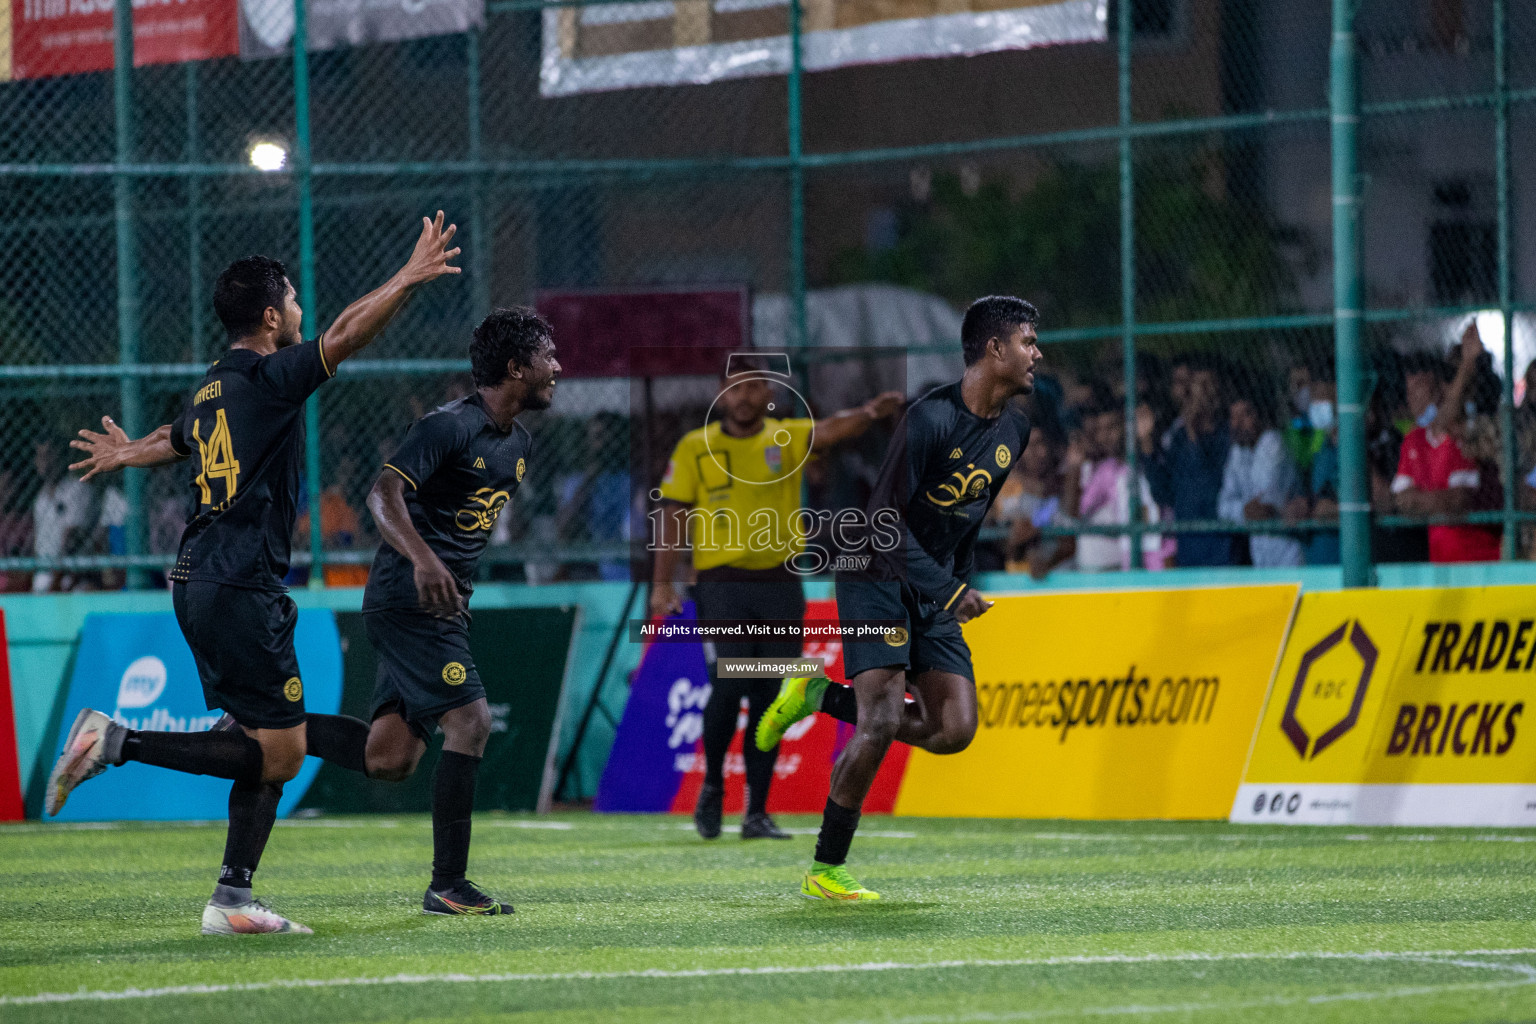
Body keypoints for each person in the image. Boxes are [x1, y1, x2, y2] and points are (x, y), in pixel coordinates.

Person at [45, 211, 462, 935]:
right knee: (282, 750)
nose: (303, 310)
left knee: (267, 740)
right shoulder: (272, 378)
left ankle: (232, 898)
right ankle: (115, 742)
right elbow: (347, 337)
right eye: (295, 300)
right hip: (239, 583)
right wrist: (408, 276)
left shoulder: (214, 387)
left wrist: (124, 454)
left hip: (202, 579)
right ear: (271, 317)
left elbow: (173, 442)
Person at [752, 295, 1039, 900]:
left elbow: (969, 516)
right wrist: (949, 588)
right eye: (1027, 341)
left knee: (954, 729)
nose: (1036, 353)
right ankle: (826, 870)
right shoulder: (928, 420)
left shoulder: (1018, 423)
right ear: (994, 349)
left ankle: (817, 694)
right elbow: (882, 523)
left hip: (934, 585)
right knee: (880, 718)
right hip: (876, 574)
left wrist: (953, 585)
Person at [292, 306, 554, 916]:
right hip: (408, 599)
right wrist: (424, 561)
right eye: (547, 355)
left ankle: (269, 727)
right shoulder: (447, 427)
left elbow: (463, 528)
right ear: (516, 367)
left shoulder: (519, 443)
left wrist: (454, 576)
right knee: (472, 721)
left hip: (441, 606)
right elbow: (382, 495)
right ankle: (448, 884)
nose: (557, 367)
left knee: (390, 758)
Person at [651, 365, 902, 841]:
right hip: (722, 583)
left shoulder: (784, 438)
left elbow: (831, 429)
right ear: (722, 394)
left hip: (781, 584)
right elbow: (673, 517)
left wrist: (871, 412)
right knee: (729, 684)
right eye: (736, 388)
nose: (746, 396)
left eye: (754, 387)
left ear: (767, 393)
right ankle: (713, 787)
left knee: (769, 694)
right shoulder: (695, 447)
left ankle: (757, 814)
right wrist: (662, 584)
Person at [1385, 324, 1502, 563]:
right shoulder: (1418, 438)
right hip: (1441, 564)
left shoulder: (1482, 430)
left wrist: (1423, 500)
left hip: (1484, 560)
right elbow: (1403, 502)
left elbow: (1457, 501)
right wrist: (1436, 502)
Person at [1144, 362, 1231, 566]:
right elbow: (1163, 492)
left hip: (1221, 544)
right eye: (1197, 386)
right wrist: (1147, 443)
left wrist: (1194, 433)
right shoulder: (1178, 437)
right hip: (1188, 544)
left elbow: (1211, 482)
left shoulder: (1227, 433)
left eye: (1209, 385)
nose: (1203, 393)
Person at [1219, 394, 1303, 567]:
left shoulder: (1273, 443)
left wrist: (1244, 510)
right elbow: (1223, 506)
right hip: (1259, 552)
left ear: (1260, 416)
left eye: (1245, 415)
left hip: (1287, 549)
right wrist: (1243, 511)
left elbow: (1264, 504)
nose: (1237, 424)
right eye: (1233, 417)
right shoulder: (1237, 452)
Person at [30, 438, 93, 593]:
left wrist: (55, 582)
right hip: (43, 573)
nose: (42, 461)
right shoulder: (40, 498)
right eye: (39, 456)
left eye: (48, 454)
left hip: (73, 572)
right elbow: (38, 546)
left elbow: (72, 538)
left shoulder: (77, 489)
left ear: (60, 456)